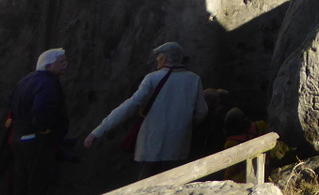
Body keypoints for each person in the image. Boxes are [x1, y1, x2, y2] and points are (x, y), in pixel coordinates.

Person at [84, 42, 207, 179]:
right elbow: (201, 111)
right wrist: (185, 128)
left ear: (163, 59)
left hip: (151, 147)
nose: (156, 60)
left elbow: (130, 106)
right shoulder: (194, 80)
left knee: (146, 184)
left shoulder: (152, 78)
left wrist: (98, 131)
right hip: (178, 147)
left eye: (158, 57)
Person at [8, 48, 70, 195]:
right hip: (35, 140)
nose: (65, 64)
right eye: (61, 62)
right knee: (38, 180)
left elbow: (11, 102)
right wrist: (46, 130)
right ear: (48, 66)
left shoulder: (26, 80)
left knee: (21, 180)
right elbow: (41, 111)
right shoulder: (46, 84)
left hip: (19, 136)